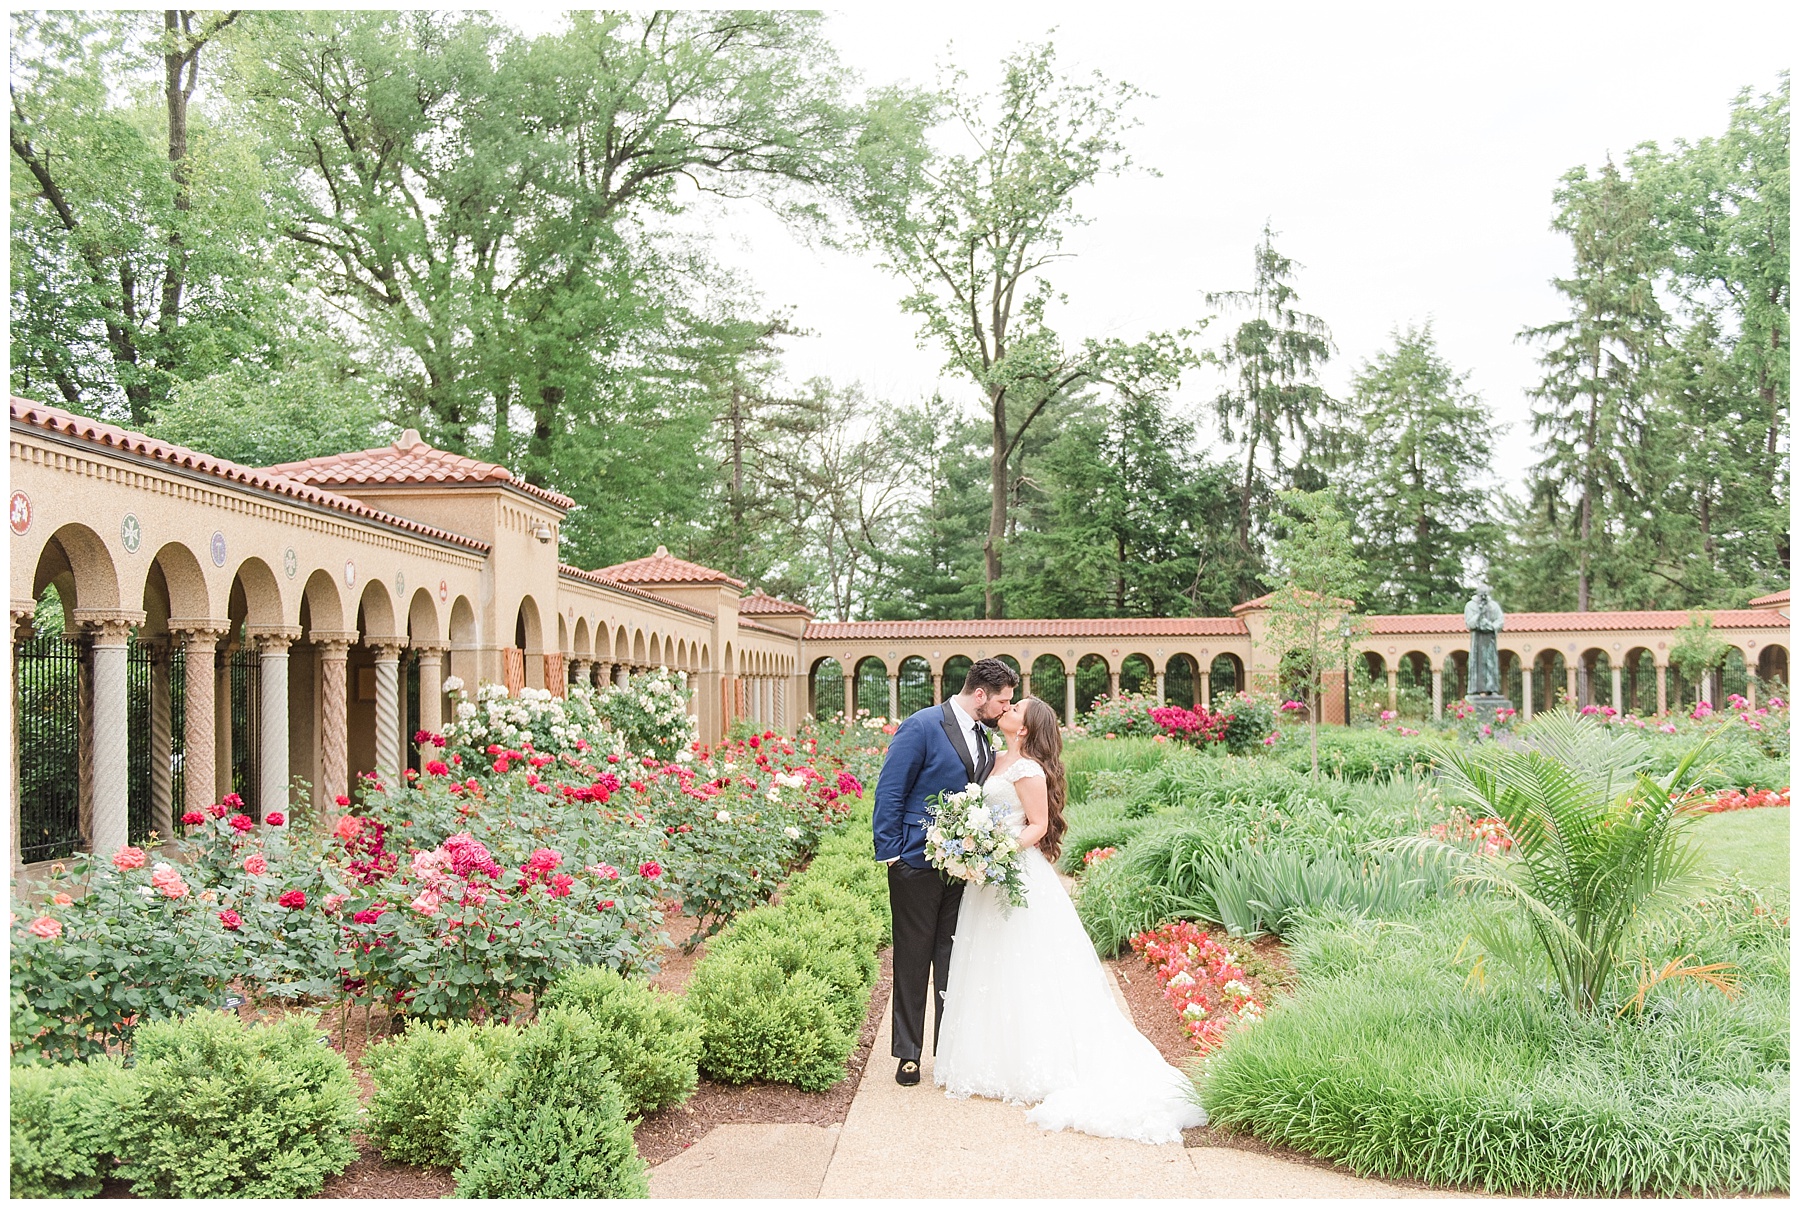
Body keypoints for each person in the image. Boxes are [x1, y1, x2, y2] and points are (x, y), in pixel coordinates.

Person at [933, 696, 1207, 1144]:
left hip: (1013, 872)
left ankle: (1038, 1060)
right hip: (986, 878)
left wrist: (994, 852)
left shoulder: (1029, 770)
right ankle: (991, 1057)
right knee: (989, 962)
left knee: (1027, 963)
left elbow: (1037, 825)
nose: (1009, 707)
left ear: (1025, 727)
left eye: (1016, 706)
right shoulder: (994, 758)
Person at [872, 657, 1018, 1087]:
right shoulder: (921, 726)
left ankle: (948, 1050)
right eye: (1003, 702)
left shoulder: (986, 738)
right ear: (980, 695)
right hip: (915, 863)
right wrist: (892, 856)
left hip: (963, 870)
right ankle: (909, 1054)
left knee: (953, 959)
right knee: (913, 960)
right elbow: (891, 790)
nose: (1006, 709)